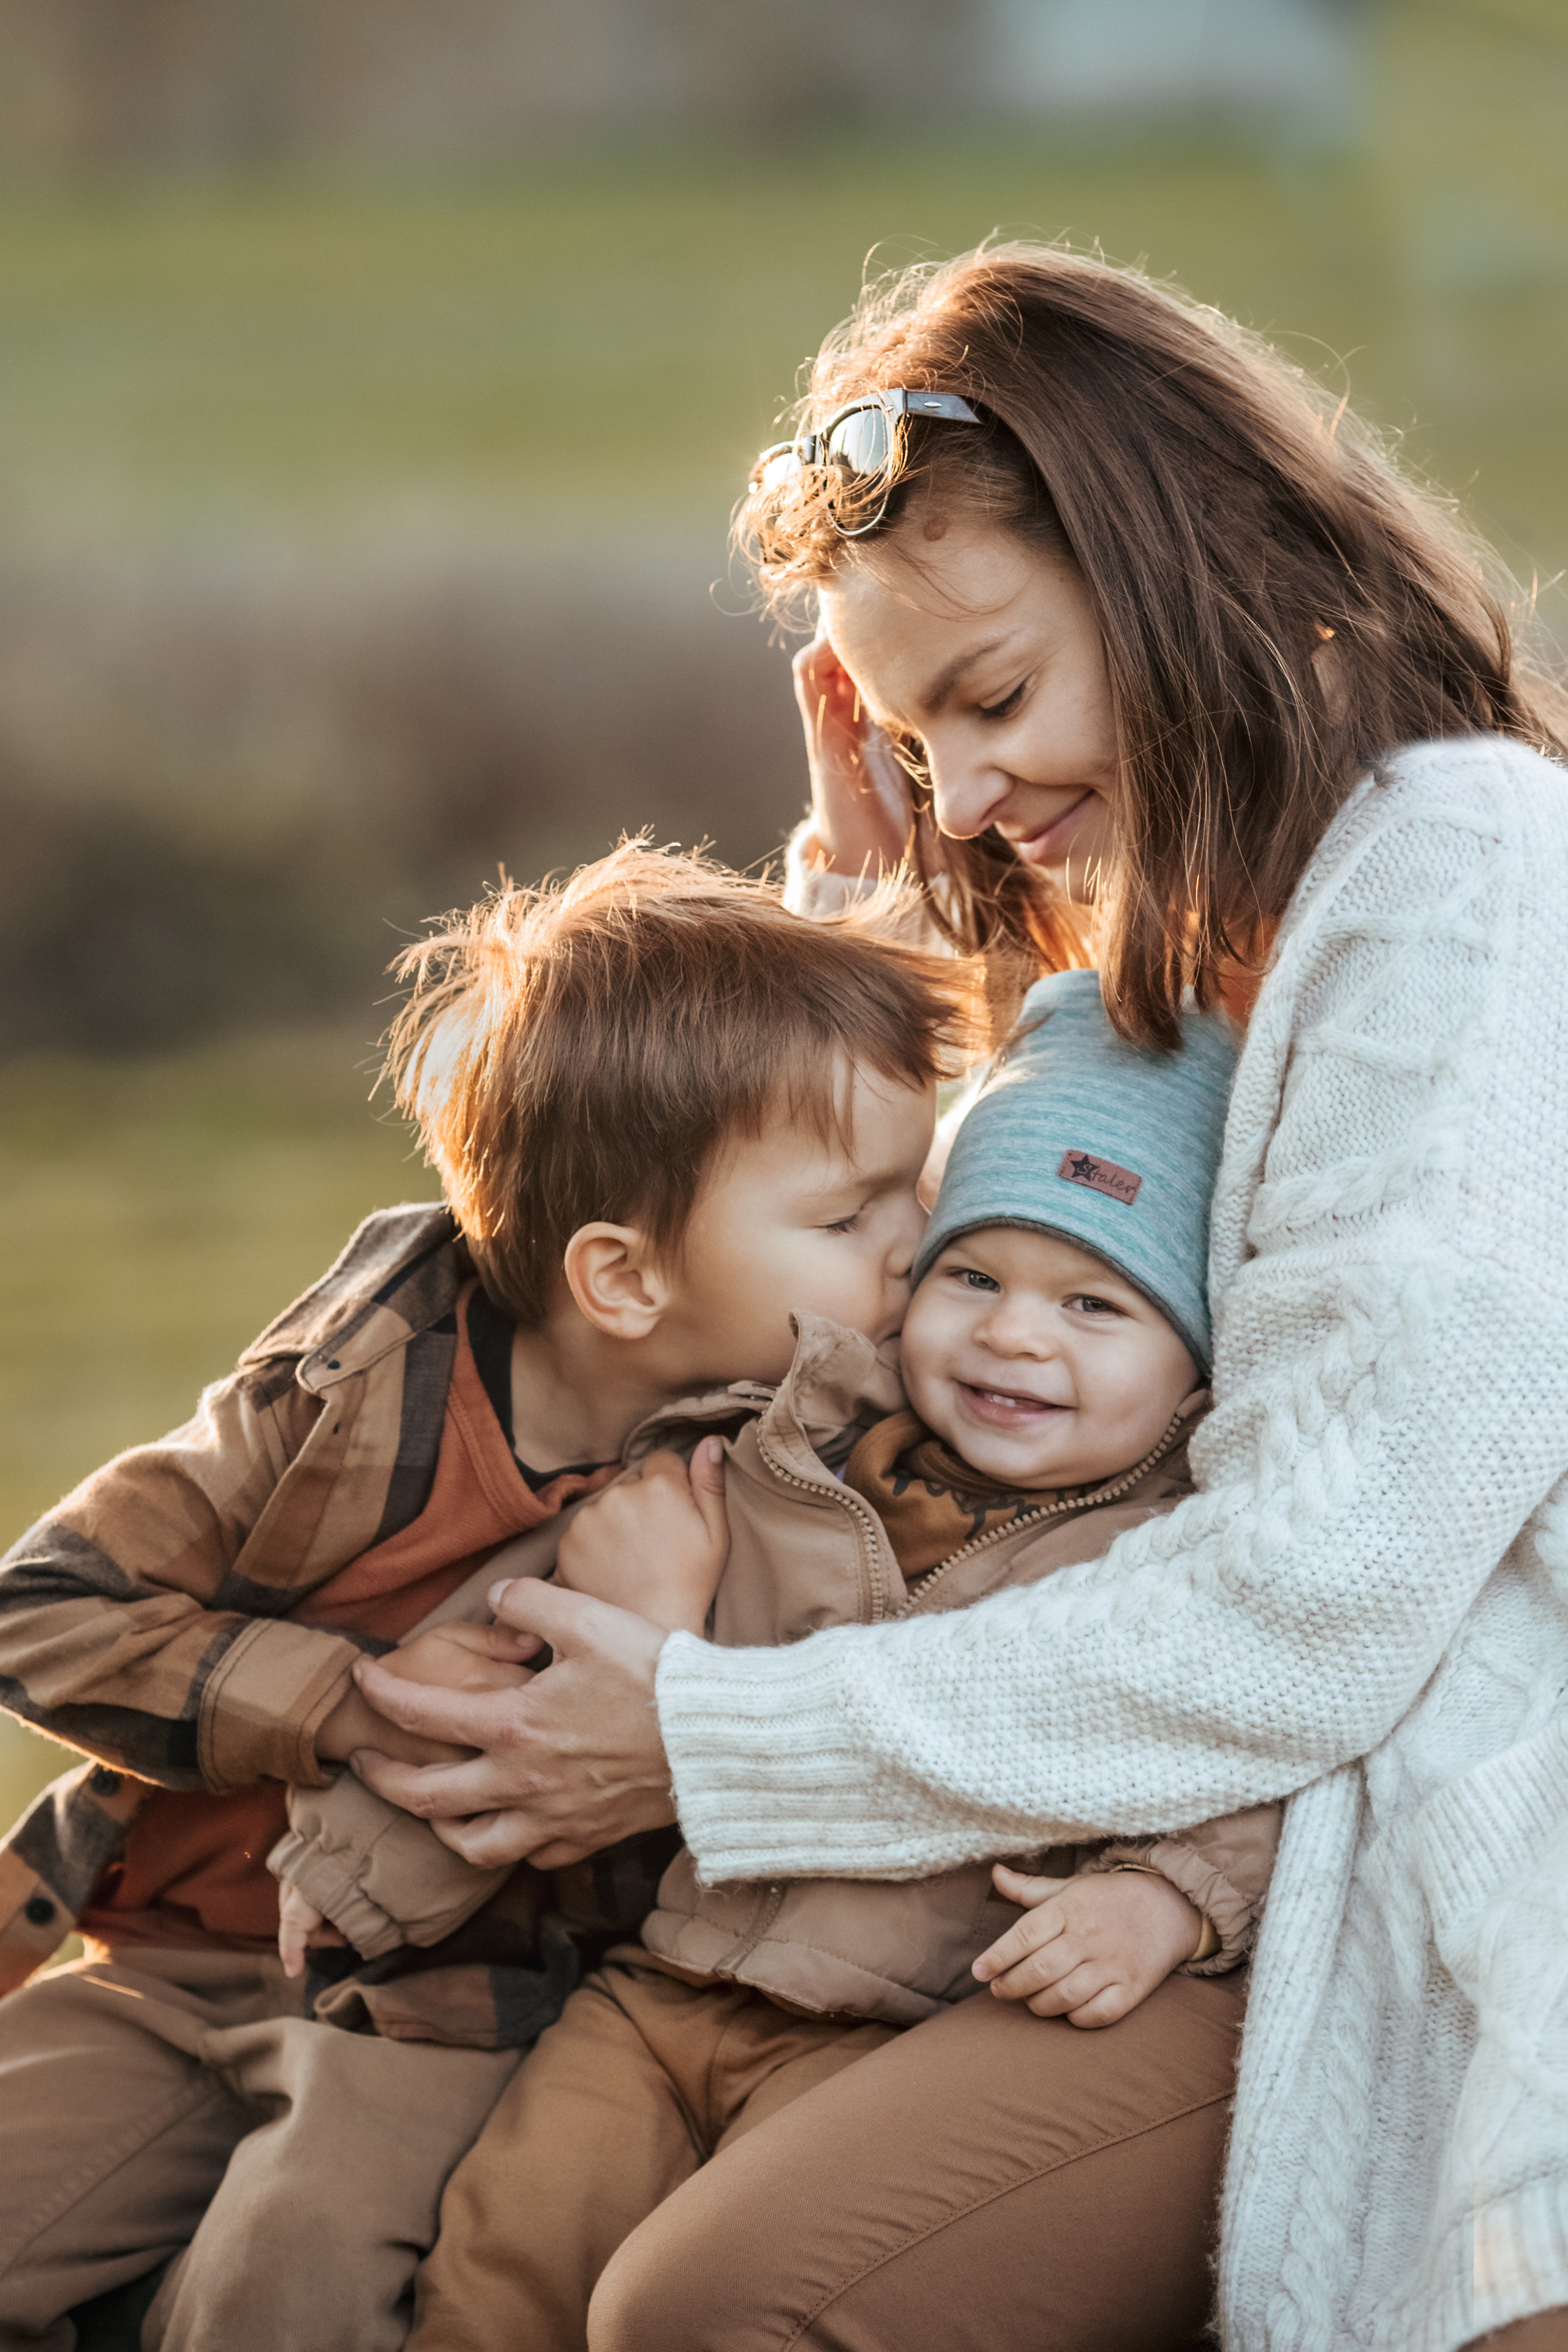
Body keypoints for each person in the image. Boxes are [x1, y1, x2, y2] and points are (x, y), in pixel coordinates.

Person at [348, 246, 1568, 2352]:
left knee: (716, 2310)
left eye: (992, 700)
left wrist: (706, 1741)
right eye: (923, 743)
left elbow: (1322, 1588)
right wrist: (875, 933)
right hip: (1187, 1816)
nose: (972, 794)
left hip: (1377, 1848)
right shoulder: (1222, 913)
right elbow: (985, 1282)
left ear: (1181, 566)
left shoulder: (1468, 879)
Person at [0, 843, 970, 2352]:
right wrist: (344, 1708)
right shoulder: (341, 1390)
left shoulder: (791, 1477)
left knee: (281, 2301)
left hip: (432, 2013)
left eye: (916, 1189)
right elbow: (45, 1609)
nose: (916, 1250)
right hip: (166, 1951)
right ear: (620, 1279)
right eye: (849, 1221)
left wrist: (660, 1649)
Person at [393, 965, 1284, 2352]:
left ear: (1197, 1367)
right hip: (664, 1989)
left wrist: (1168, 1898)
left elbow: (1250, 1746)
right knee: (499, 2275)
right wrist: (356, 1858)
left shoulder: (1169, 1556)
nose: (1012, 1332)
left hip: (894, 2031)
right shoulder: (789, 1453)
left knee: (735, 2289)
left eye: (1095, 1307)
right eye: (972, 1276)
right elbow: (523, 1659)